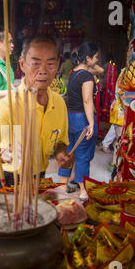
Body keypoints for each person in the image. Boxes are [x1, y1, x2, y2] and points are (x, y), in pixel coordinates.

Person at [0, 36, 73, 188]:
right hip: (10, 179)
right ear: (22, 64)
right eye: (36, 63)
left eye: (50, 64)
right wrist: (6, 153)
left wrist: (61, 155)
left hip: (40, 176)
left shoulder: (59, 103)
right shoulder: (8, 104)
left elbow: (60, 142)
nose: (43, 71)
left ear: (58, 65)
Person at [58, 42, 100, 202]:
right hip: (82, 117)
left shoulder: (74, 72)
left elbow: (99, 69)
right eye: (95, 57)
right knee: (83, 154)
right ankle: (83, 190)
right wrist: (91, 123)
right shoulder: (86, 76)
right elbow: (87, 100)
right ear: (88, 57)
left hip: (70, 117)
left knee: (69, 151)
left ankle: (63, 185)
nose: (97, 60)